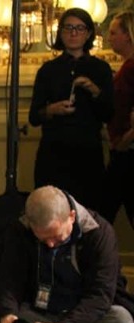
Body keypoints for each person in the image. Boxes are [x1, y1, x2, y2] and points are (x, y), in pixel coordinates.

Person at [0, 186, 134, 323]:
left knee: (122, 320)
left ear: (71, 217)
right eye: (43, 239)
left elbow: (100, 296)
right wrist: (8, 316)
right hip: (39, 314)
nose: (51, 245)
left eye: (56, 237)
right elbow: (9, 281)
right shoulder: (20, 230)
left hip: (81, 317)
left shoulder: (100, 234)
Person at [27, 7, 113, 213]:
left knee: (88, 214)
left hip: (87, 155)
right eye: (68, 28)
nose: (73, 33)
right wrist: (52, 109)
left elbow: (109, 113)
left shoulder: (100, 69)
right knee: (51, 214)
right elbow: (34, 117)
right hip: (54, 155)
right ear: (60, 32)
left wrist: (94, 90)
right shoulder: (48, 70)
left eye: (79, 28)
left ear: (89, 33)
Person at [99, 11, 134, 226]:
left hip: (128, 152)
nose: (109, 38)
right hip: (123, 150)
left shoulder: (131, 68)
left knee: (103, 212)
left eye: (113, 33)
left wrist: (125, 140)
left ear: (128, 35)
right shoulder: (126, 67)